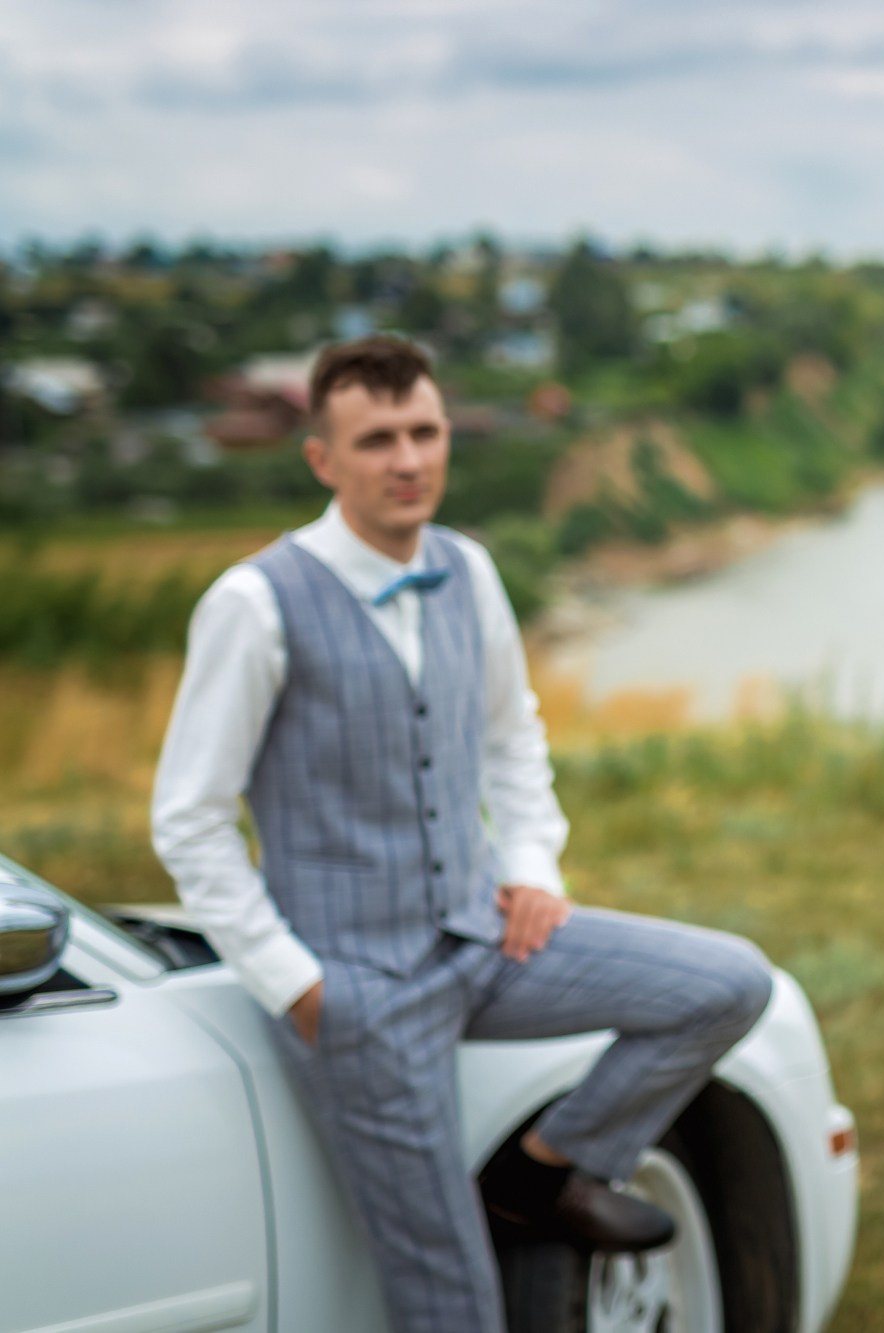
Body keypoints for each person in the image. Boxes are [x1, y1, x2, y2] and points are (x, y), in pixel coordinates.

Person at [151, 334, 773, 1333]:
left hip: (483, 936)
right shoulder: (254, 602)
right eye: (377, 439)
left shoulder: (466, 568)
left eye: (424, 431)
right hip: (357, 989)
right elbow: (188, 821)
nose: (407, 459)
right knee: (452, 1306)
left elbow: (510, 735)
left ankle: (540, 1178)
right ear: (323, 458)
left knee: (727, 983)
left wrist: (530, 864)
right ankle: (506, 1213)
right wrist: (298, 986)